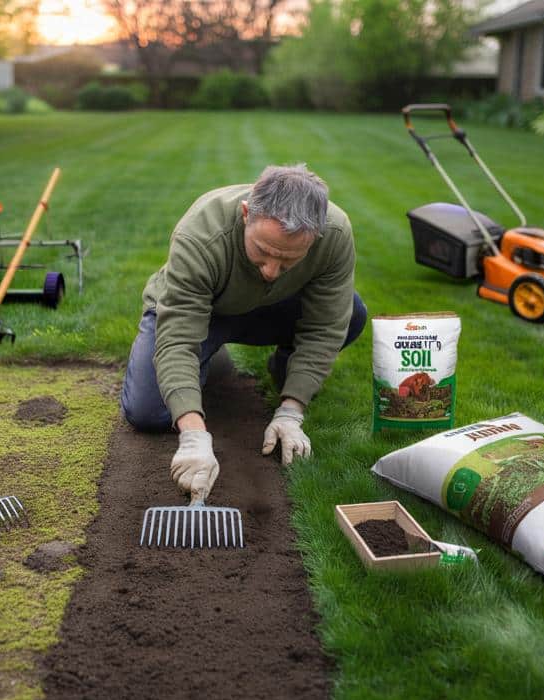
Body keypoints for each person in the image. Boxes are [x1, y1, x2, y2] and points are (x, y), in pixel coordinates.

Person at [120, 164, 368, 502]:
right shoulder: (201, 233)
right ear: (246, 214)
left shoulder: (335, 233)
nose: (270, 271)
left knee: (351, 314)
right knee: (148, 412)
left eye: (287, 261)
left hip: (275, 309)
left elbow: (325, 327)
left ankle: (285, 371)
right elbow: (178, 339)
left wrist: (291, 411)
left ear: (316, 235)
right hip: (205, 313)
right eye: (263, 252)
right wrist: (193, 435)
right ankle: (211, 358)